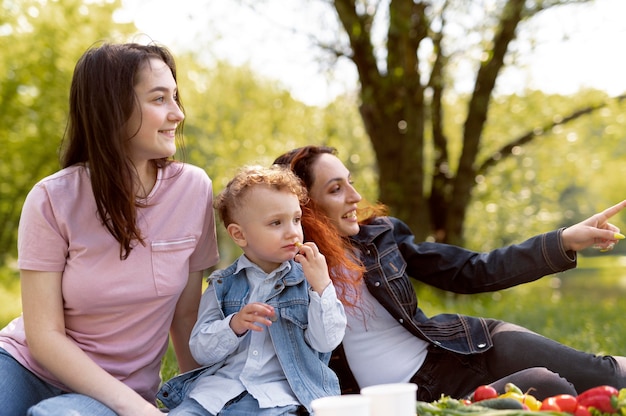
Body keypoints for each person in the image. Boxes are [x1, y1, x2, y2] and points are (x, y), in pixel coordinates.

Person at [274, 145, 626, 402]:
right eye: (336, 189)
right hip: (413, 395)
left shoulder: (380, 235)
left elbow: (471, 271)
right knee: (552, 388)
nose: (356, 196)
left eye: (349, 182)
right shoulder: (283, 273)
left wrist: (564, 240)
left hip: (465, 346)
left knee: (601, 375)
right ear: (304, 205)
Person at [0, 42, 220, 416]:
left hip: (111, 392)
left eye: (176, 97)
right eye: (159, 99)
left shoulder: (193, 189)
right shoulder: (52, 198)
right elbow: (43, 335)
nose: (178, 113)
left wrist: (201, 403)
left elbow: (186, 318)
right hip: (25, 368)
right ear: (112, 108)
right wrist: (137, 410)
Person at [158, 165, 354, 415]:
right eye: (276, 223)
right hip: (217, 392)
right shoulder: (221, 285)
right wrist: (234, 325)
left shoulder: (309, 280)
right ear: (239, 235)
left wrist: (322, 287)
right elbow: (200, 350)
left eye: (296, 219)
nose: (292, 231)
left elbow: (327, 341)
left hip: (278, 396)